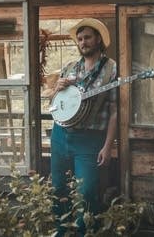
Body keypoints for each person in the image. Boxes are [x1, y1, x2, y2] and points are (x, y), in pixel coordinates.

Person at [49, 18, 117, 235]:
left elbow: (116, 111)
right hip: (60, 135)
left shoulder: (111, 69)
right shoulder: (69, 67)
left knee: (86, 191)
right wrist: (56, 88)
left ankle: (84, 232)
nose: (83, 42)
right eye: (79, 39)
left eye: (87, 37)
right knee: (58, 188)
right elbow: (54, 103)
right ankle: (61, 232)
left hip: (89, 138)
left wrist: (108, 146)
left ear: (98, 39)